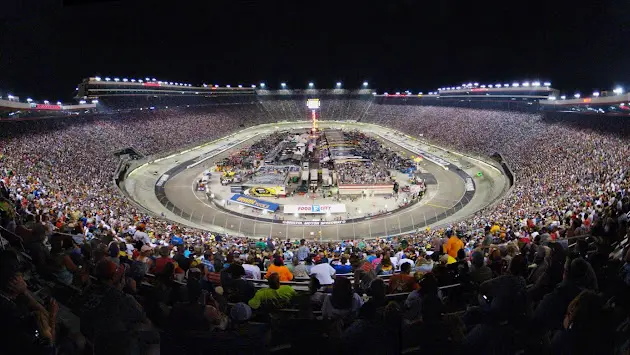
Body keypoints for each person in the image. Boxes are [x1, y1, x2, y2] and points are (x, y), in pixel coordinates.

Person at [79, 259, 155, 353]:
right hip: (108, 346)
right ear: (116, 278)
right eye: (123, 276)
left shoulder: (88, 290)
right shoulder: (123, 299)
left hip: (89, 337)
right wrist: (133, 292)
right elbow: (146, 322)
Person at [0, 250, 58, 355]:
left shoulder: (8, 302)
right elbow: (48, 347)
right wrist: (53, 318)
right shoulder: (12, 313)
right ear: (12, 281)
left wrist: (24, 292)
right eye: (19, 274)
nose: (23, 278)